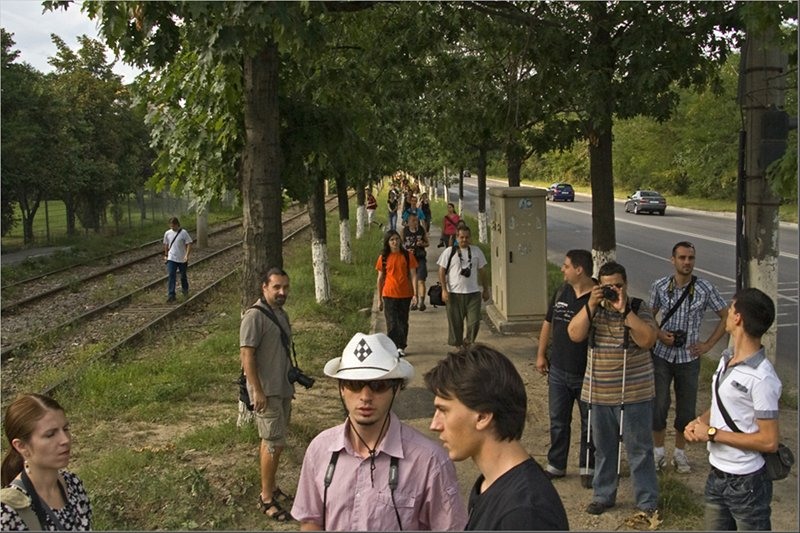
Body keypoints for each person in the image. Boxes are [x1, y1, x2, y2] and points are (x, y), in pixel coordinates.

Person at [291, 332, 468, 531]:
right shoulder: (320, 450)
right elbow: (310, 521)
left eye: (378, 385)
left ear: (397, 388)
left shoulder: (430, 462)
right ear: (341, 388)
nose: (365, 396)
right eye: (355, 384)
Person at [425, 344, 569, 530]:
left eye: (443, 410)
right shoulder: (489, 484)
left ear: (483, 416)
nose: (434, 425)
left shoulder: (525, 514)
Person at [684, 288, 781, 531]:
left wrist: (712, 433)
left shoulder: (762, 378)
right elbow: (723, 403)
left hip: (747, 483)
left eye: (731, 308)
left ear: (738, 318)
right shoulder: (726, 359)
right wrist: (699, 422)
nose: (727, 313)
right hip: (717, 474)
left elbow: (769, 441)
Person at [567, 261, 660, 516]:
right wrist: (591, 305)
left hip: (634, 393)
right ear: (599, 286)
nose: (613, 290)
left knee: (640, 450)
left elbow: (648, 340)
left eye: (618, 285)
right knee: (604, 450)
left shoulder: (639, 308)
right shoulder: (593, 309)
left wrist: (624, 311)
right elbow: (574, 334)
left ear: (626, 285)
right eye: (607, 286)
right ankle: (603, 494)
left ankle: (647, 500)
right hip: (599, 393)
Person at [649, 241, 728, 473]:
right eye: (682, 258)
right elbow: (647, 315)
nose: (687, 262)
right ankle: (658, 452)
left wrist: (708, 344)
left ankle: (680, 454)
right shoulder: (660, 286)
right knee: (659, 405)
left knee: (686, 408)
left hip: (689, 358)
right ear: (672, 260)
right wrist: (659, 334)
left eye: (690, 258)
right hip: (661, 355)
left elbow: (726, 315)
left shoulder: (704, 288)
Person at [535, 249, 596, 488]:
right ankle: (556, 465)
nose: (563, 269)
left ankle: (588, 467)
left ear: (579, 269)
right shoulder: (562, 291)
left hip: (588, 373)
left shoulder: (598, 296)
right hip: (558, 369)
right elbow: (548, 322)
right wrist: (541, 354)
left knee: (589, 423)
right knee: (558, 420)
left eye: (566, 265)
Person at [240, 267, 296, 522]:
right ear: (264, 287)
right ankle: (265, 499)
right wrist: (257, 392)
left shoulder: (280, 313)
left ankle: (271, 486)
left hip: (282, 387)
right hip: (267, 392)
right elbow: (247, 356)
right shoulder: (254, 316)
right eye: (276, 287)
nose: (282, 292)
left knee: (277, 440)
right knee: (272, 443)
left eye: (285, 287)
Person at [1, 393, 92, 531]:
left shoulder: (73, 484)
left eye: (66, 429)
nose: (65, 440)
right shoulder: (9, 511)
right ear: (21, 446)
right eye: (50, 434)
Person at [437, 225, 490, 347]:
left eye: (467, 237)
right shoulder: (449, 252)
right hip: (454, 294)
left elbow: (482, 271)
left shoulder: (476, 251)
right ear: (456, 237)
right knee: (455, 323)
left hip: (473, 293)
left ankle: (468, 342)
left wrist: (486, 289)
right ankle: (458, 345)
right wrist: (444, 290)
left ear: (470, 238)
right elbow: (441, 270)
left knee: (474, 321)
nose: (464, 240)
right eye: (461, 237)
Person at [376, 230, 418, 357]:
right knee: (392, 322)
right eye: (392, 240)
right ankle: (392, 346)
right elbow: (380, 278)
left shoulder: (407, 255)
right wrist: (379, 299)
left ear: (400, 240)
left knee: (403, 321)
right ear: (387, 242)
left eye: (396, 239)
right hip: (389, 294)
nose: (395, 242)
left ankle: (401, 346)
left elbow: (413, 275)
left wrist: (415, 294)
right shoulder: (383, 257)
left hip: (405, 294)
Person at [402, 212, 429, 312]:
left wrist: (422, 244)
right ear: (408, 222)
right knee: (410, 281)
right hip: (408, 259)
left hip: (420, 258)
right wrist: (407, 250)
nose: (415, 222)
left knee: (421, 280)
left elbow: (427, 243)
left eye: (416, 220)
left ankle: (422, 302)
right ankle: (414, 301)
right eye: (413, 221)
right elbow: (400, 245)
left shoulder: (421, 230)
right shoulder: (404, 231)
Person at [163, 216, 193, 303]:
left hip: (182, 258)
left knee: (183, 276)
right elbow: (166, 244)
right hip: (171, 258)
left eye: (174, 226)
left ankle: (185, 291)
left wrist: (187, 255)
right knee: (171, 275)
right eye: (171, 226)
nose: (172, 227)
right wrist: (166, 255)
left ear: (177, 225)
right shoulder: (167, 233)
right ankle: (171, 295)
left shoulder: (184, 233)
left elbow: (189, 243)